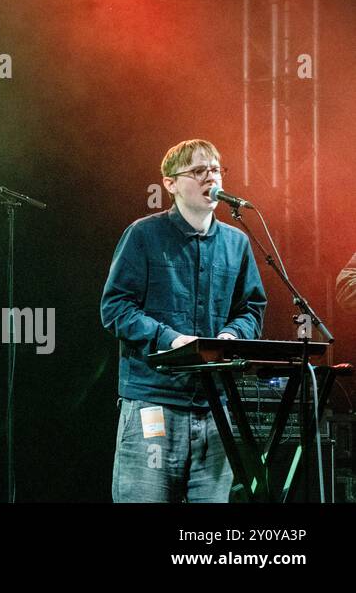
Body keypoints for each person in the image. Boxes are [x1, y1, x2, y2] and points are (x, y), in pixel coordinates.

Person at [100, 138, 266, 503]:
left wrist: (229, 335)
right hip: (153, 403)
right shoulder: (144, 235)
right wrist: (171, 339)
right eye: (198, 170)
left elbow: (252, 309)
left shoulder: (237, 242)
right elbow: (115, 308)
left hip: (214, 408)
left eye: (216, 169)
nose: (211, 177)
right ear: (170, 183)